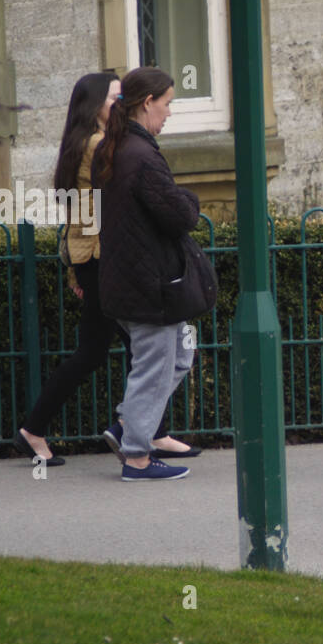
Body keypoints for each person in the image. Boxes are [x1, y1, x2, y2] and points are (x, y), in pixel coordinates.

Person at [14, 72, 196, 466]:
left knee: (136, 351)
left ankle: (143, 429)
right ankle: (44, 428)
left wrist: (75, 268)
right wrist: (85, 268)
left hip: (92, 260)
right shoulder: (101, 145)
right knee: (120, 352)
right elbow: (98, 214)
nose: (119, 103)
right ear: (94, 104)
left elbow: (76, 216)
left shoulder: (83, 143)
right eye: (114, 98)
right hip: (103, 260)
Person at [93, 66, 201, 481]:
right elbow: (179, 215)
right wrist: (189, 199)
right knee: (155, 365)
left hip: (129, 278)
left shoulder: (114, 148)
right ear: (147, 103)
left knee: (180, 355)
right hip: (149, 286)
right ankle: (137, 456)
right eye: (168, 103)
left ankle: (127, 426)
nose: (170, 113)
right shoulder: (139, 155)